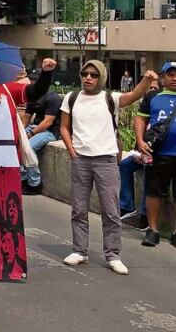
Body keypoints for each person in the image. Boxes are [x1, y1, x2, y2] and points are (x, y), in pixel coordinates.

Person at [59, 60, 155, 274]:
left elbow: (133, 96)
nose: (88, 78)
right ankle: (80, 250)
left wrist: (146, 80)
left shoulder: (109, 98)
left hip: (106, 161)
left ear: (100, 76)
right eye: (85, 73)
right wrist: (72, 151)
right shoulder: (72, 98)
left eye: (93, 74)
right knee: (79, 208)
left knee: (111, 211)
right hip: (81, 160)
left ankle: (113, 254)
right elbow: (64, 127)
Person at [134, 61, 176, 248]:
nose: (174, 78)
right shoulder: (153, 96)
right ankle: (153, 230)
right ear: (163, 77)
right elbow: (140, 119)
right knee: (154, 191)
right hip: (159, 153)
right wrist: (141, 141)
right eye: (171, 74)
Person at [20, 90, 63, 195]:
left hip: (50, 131)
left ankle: (35, 184)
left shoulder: (53, 97)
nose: (34, 83)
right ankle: (23, 177)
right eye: (32, 80)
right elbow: (26, 117)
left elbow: (48, 122)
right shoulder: (33, 96)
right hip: (35, 127)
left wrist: (30, 134)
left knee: (28, 148)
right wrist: (19, 132)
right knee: (15, 143)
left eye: (36, 80)